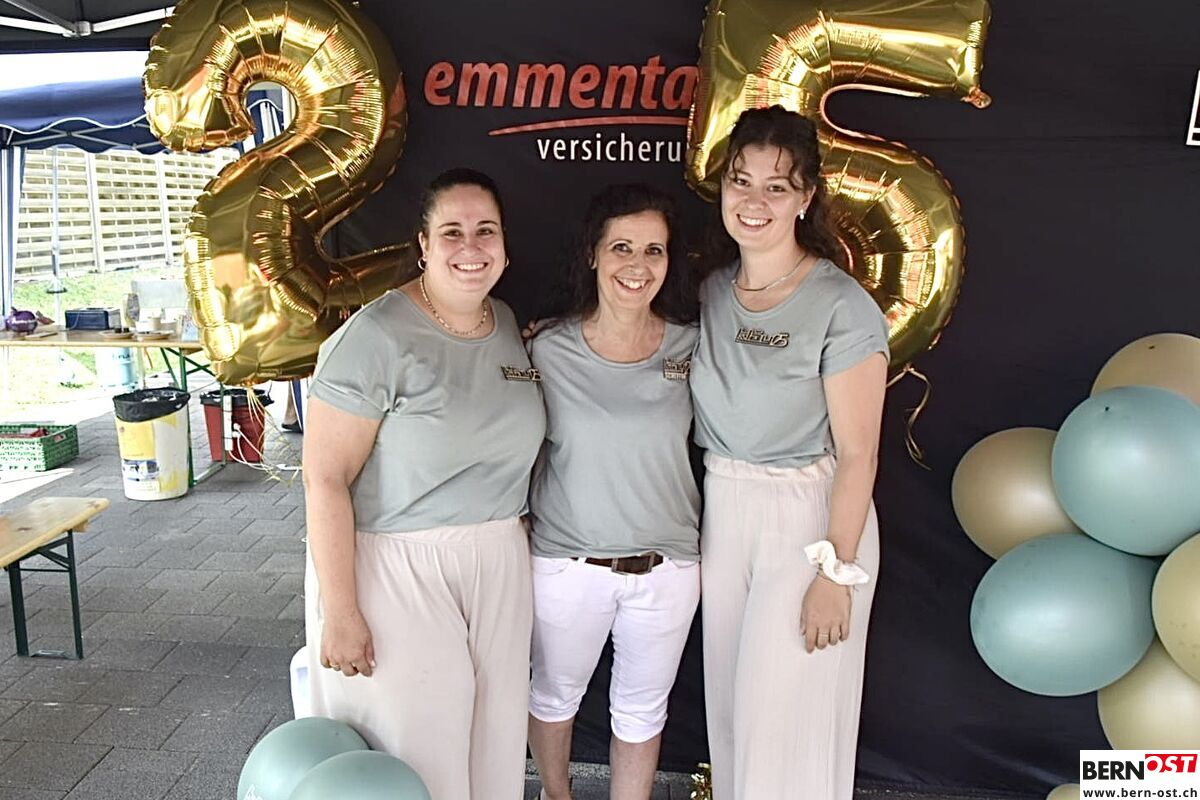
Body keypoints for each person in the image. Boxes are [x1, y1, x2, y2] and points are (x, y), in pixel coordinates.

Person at [301, 168, 546, 800]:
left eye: (485, 231)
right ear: (423, 245)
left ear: (505, 246)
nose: (471, 247)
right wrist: (341, 612)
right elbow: (324, 479)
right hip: (399, 567)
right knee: (419, 752)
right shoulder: (374, 337)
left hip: (498, 562)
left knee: (493, 749)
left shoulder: (506, 322)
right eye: (452, 232)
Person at [689, 105, 889, 799]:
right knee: (733, 722)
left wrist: (836, 572)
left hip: (810, 519)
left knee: (785, 726)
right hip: (725, 508)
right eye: (741, 181)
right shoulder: (708, 293)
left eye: (776, 187)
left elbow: (860, 454)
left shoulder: (841, 306)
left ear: (806, 198)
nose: (754, 201)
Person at [526, 184, 700, 800]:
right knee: (553, 697)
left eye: (654, 250)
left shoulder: (692, 345)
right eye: (622, 247)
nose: (638, 265)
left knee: (643, 712)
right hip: (568, 565)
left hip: (669, 569)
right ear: (593, 254)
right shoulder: (545, 348)